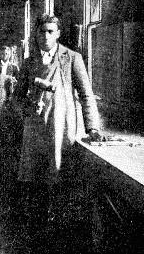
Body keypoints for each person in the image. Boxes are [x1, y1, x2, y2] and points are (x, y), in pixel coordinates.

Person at [12, 13, 102, 242]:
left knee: (58, 179)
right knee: (34, 184)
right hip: (34, 131)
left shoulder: (71, 58)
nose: (45, 36)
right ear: (36, 34)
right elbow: (16, 98)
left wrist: (92, 128)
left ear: (58, 34)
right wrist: (27, 110)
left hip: (60, 129)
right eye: (42, 31)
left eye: (50, 31)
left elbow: (86, 95)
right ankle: (35, 235)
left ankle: (56, 237)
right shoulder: (30, 62)